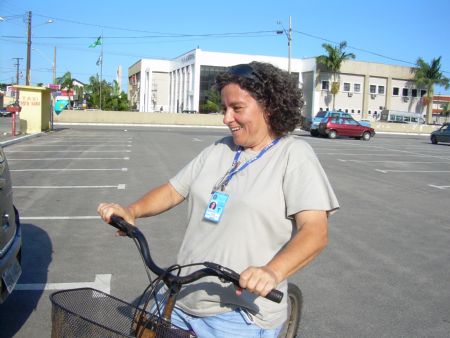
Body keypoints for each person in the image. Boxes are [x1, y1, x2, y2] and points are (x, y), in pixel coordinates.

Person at [98, 61, 339, 337]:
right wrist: (132, 210)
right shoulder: (219, 150)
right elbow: (173, 190)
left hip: (238, 313)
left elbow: (315, 232)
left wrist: (271, 272)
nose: (226, 118)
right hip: (181, 297)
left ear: (269, 107)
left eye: (236, 108)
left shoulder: (293, 155)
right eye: (224, 109)